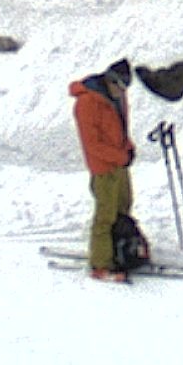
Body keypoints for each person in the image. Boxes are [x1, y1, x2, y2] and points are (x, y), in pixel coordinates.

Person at [69, 58, 136, 282]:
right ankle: (100, 264)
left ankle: (119, 250)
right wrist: (120, 156)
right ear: (110, 80)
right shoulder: (87, 103)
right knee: (105, 215)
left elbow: (120, 128)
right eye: (121, 86)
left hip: (119, 162)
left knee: (124, 206)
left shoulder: (117, 97)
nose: (123, 92)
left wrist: (128, 148)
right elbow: (92, 144)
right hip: (103, 167)